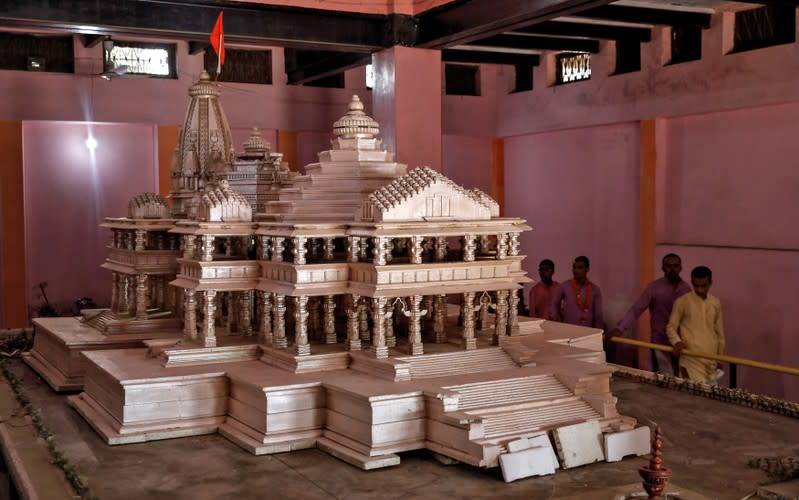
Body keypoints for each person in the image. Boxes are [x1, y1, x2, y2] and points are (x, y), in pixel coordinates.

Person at [607, 253, 691, 375]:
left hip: (681, 342)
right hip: (660, 343)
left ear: (680, 268)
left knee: (683, 379)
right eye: (668, 266)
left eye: (675, 266)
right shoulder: (654, 288)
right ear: (663, 268)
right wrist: (620, 328)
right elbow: (637, 309)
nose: (672, 269)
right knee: (664, 378)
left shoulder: (686, 289)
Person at [666, 266, 724, 383]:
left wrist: (720, 358)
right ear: (692, 282)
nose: (700, 290)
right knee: (694, 397)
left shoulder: (715, 302)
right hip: (690, 360)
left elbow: (720, 334)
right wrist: (677, 342)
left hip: (711, 360)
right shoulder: (682, 302)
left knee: (712, 397)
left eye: (704, 286)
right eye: (696, 286)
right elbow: (671, 327)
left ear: (710, 283)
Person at [549, 256, 603, 329]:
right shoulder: (564, 286)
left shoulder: (595, 289)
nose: (575, 270)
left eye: (580, 268)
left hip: (587, 332)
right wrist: (555, 318)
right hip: (567, 331)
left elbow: (598, 315)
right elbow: (554, 304)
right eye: (574, 267)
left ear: (587, 269)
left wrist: (599, 333)